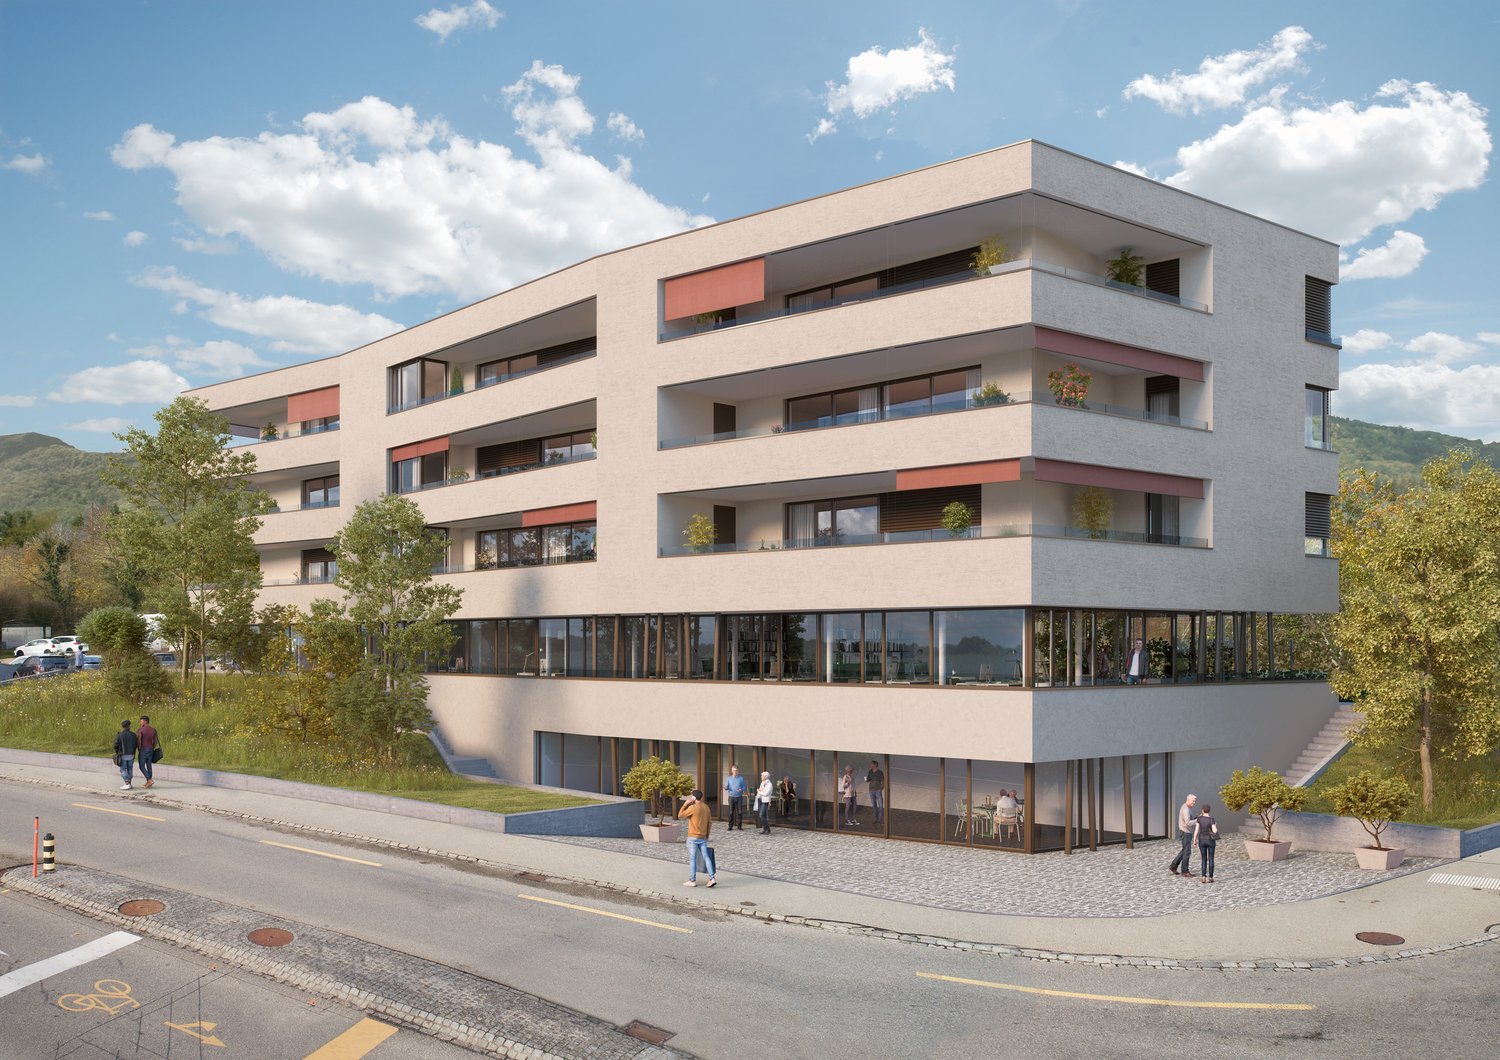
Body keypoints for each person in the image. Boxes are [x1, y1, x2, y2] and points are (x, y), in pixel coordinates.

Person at [677, 789, 716, 887]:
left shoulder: (692, 808)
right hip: (702, 837)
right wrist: (706, 835)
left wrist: (686, 804)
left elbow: (680, 815)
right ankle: (712, 878)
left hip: (693, 837)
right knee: (706, 857)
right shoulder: (706, 807)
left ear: (693, 797)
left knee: (693, 859)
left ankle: (692, 880)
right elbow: (709, 823)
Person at [1168, 793, 1198, 877]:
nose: (1194, 802)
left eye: (1195, 801)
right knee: (1187, 852)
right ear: (1188, 800)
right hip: (1185, 831)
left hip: (1186, 831)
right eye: (1193, 801)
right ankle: (1185, 871)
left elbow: (1190, 819)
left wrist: (1195, 817)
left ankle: (1173, 866)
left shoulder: (1188, 807)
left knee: (1185, 850)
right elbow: (1188, 823)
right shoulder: (1186, 809)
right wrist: (1198, 820)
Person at [1193, 803, 1219, 883]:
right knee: (1211, 858)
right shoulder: (1211, 819)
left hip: (1202, 840)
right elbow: (1214, 831)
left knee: (1203, 859)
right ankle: (1211, 877)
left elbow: (1196, 830)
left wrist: (1194, 840)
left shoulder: (1199, 819)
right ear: (1209, 810)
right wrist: (1215, 826)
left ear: (1202, 810)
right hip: (1210, 841)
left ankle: (1203, 876)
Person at [113, 719, 139, 791]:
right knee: (130, 768)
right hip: (131, 754)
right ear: (129, 726)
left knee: (123, 769)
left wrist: (117, 752)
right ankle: (129, 783)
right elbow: (136, 745)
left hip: (123, 754)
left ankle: (127, 783)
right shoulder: (133, 735)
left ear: (123, 726)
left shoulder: (119, 735)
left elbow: (115, 746)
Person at [136, 715, 159, 789]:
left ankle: (149, 780)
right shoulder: (153, 730)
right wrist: (152, 747)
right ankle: (148, 782)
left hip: (143, 749)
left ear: (145, 721)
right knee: (149, 765)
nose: (140, 722)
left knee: (141, 766)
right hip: (150, 749)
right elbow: (155, 741)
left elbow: (139, 740)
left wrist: (139, 749)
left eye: (141, 721)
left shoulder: (141, 730)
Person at [723, 764, 747, 830]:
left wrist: (741, 789)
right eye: (733, 770)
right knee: (731, 812)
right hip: (731, 797)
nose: (735, 772)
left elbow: (744, 787)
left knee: (740, 812)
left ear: (738, 771)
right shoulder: (729, 778)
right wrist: (725, 787)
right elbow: (727, 787)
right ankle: (730, 826)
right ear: (731, 771)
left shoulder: (741, 778)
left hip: (739, 797)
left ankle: (739, 826)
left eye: (736, 770)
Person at [866, 759, 886, 827]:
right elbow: (868, 779)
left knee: (880, 806)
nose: (870, 765)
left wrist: (881, 789)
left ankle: (881, 820)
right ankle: (875, 819)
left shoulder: (880, 772)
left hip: (878, 790)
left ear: (875, 765)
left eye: (871, 764)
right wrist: (866, 779)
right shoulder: (870, 771)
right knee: (874, 806)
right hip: (871, 790)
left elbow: (883, 781)